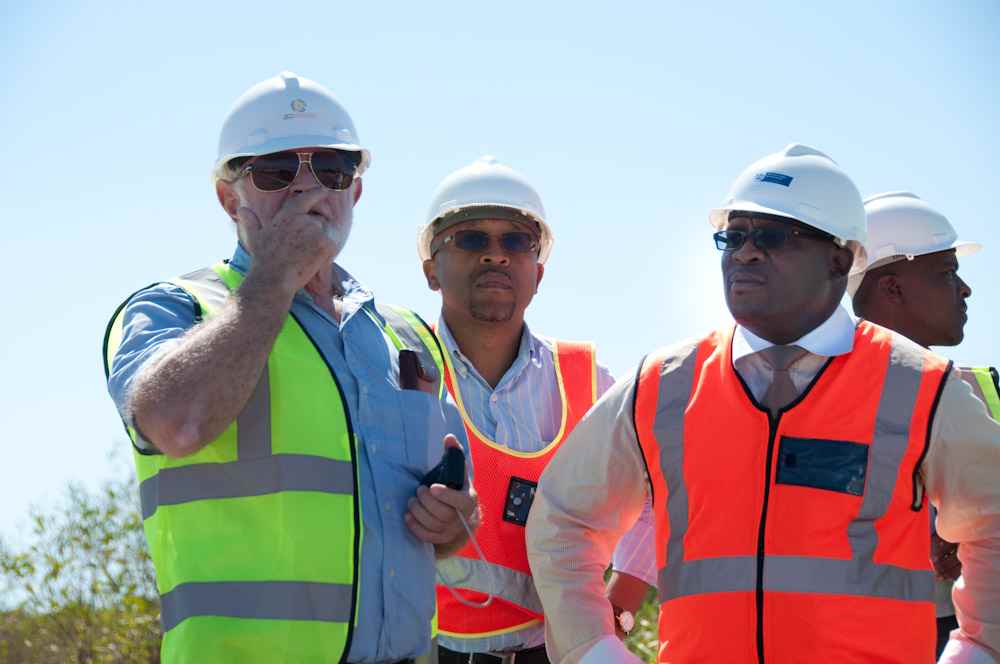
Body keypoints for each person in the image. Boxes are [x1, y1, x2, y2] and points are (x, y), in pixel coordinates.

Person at [526, 144, 1000, 663]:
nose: (745, 253)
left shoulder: (921, 386)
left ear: (840, 259)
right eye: (734, 236)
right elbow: (564, 520)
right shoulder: (663, 384)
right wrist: (594, 652)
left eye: (773, 236)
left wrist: (978, 651)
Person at [103, 71, 476, 664]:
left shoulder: (405, 335)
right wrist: (275, 275)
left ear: (355, 191)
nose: (307, 187)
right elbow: (175, 423)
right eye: (276, 171)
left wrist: (451, 525)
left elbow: (447, 517)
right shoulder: (176, 308)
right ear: (229, 199)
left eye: (331, 168)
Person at [419, 157, 655, 664]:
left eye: (517, 241)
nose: (496, 255)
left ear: (539, 272)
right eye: (471, 239)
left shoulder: (589, 382)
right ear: (431, 269)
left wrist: (620, 603)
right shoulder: (398, 370)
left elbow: (657, 487)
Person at [848, 190, 997, 659]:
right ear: (892, 289)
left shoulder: (983, 388)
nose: (965, 289)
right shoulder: (820, 397)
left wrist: (967, 532)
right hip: (869, 637)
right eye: (947, 273)